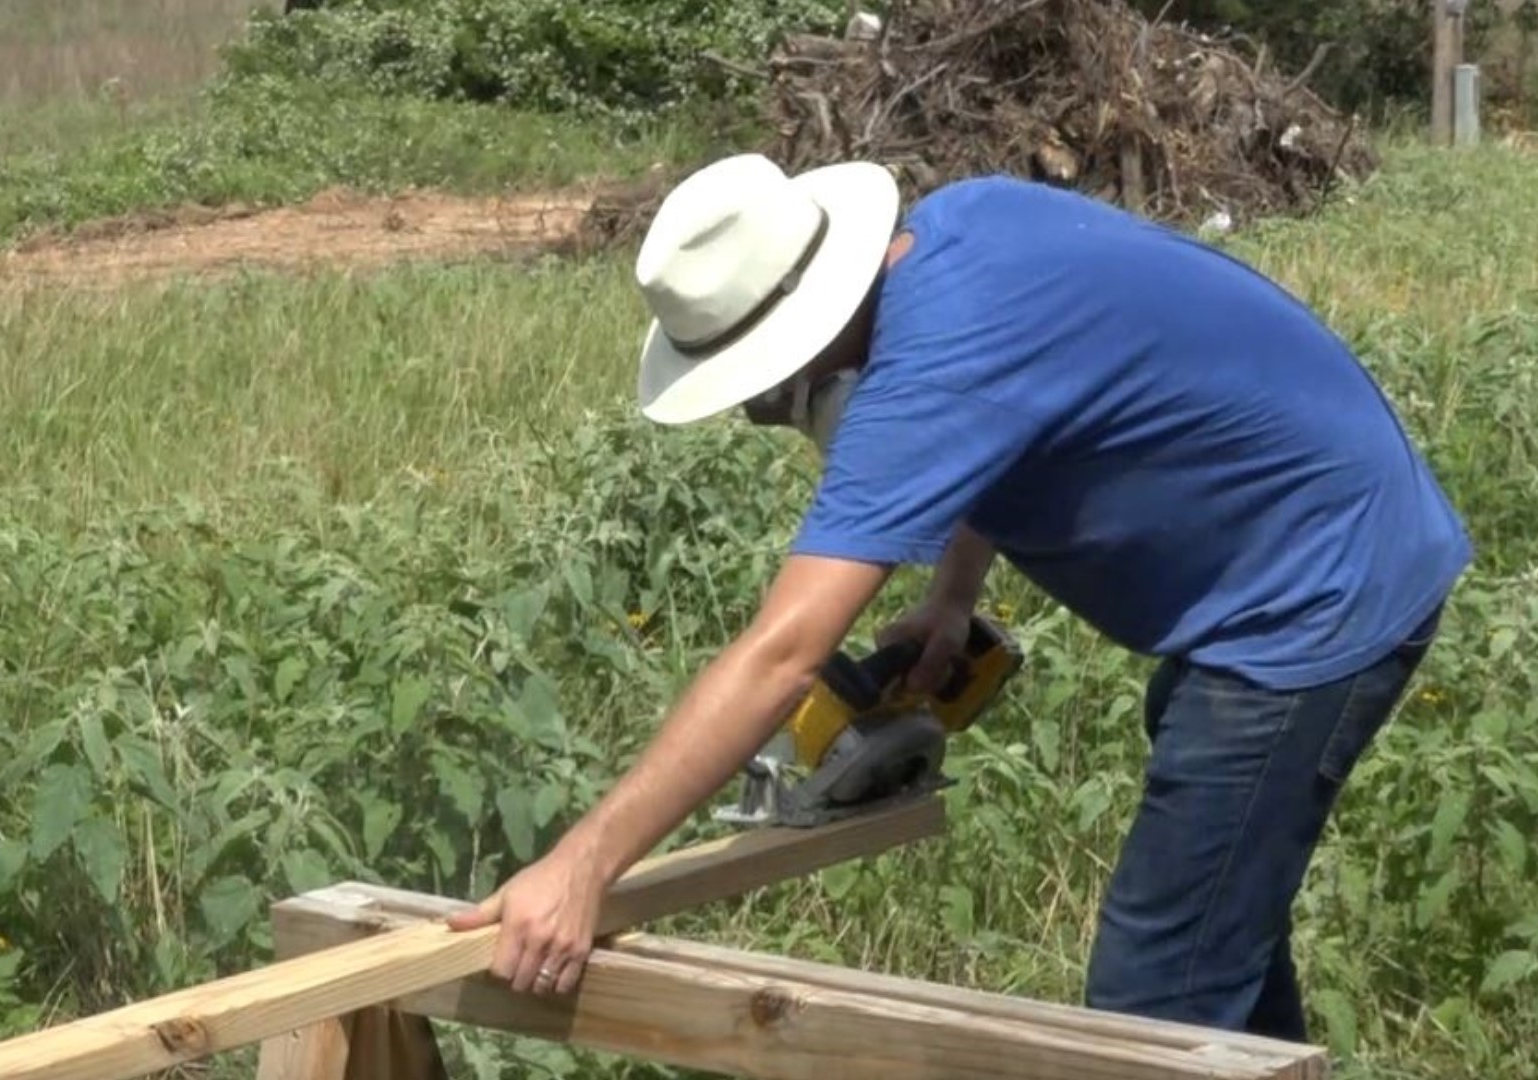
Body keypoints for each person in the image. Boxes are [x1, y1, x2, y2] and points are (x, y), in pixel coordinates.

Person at [444, 153, 1470, 1040]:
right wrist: (951, 593)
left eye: (761, 396)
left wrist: (582, 866)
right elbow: (1027, 404)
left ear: (805, 338)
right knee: (1215, 931)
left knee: (1151, 1001)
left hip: (1317, 592)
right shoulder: (964, 223)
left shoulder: (930, 377)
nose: (762, 417)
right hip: (1316, 532)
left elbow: (782, 654)